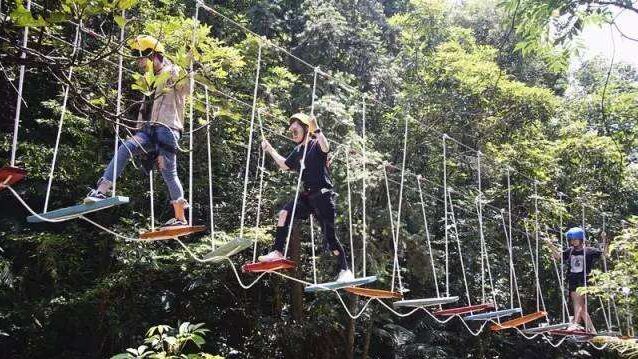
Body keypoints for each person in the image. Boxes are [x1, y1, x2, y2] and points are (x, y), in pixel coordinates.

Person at [85, 35, 190, 228]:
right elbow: (145, 108)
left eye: (143, 59)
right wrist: (137, 130)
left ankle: (180, 218)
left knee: (168, 172)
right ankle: (101, 191)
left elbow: (186, 89)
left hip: (167, 128)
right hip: (148, 130)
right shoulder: (148, 80)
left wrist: (189, 63)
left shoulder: (173, 71)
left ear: (154, 56)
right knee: (125, 148)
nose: (140, 63)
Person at [259, 113, 354, 282]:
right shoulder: (297, 151)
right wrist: (270, 149)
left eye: (296, 130)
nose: (293, 134)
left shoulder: (315, 145)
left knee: (330, 239)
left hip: (323, 196)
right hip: (308, 196)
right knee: (284, 213)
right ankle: (277, 251)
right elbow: (284, 165)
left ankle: (345, 270)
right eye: (291, 132)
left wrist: (316, 129)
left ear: (305, 129)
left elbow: (326, 147)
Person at [545, 227, 607, 333]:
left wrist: (605, 240)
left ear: (581, 239)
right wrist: (550, 245)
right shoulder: (570, 251)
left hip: (584, 280)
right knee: (581, 306)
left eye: (575, 240)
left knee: (577, 302)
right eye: (571, 240)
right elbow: (559, 257)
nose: (573, 242)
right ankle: (592, 330)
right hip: (573, 280)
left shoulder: (589, 251)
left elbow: (604, 255)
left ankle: (576, 324)